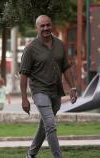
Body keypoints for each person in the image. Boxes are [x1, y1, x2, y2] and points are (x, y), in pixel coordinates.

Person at [20, 15, 77, 158]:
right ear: (37, 28)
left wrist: (73, 88)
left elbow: (66, 68)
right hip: (39, 91)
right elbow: (23, 75)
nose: (46, 28)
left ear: (51, 25)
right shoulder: (30, 49)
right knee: (51, 125)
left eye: (48, 25)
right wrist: (24, 99)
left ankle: (30, 155)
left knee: (44, 126)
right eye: (42, 26)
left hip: (56, 91)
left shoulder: (59, 44)